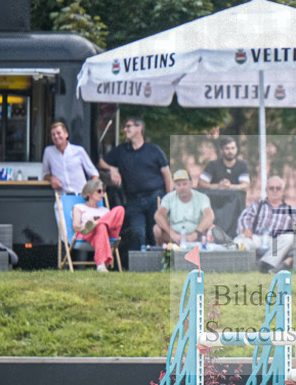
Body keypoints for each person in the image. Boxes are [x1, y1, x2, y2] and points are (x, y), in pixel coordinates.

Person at [99, 117, 173, 250]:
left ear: (139, 128)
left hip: (155, 197)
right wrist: (112, 169)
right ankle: (140, 266)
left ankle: (157, 265)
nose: (125, 129)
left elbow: (167, 174)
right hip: (134, 200)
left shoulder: (154, 150)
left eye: (128, 126)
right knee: (136, 232)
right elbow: (100, 162)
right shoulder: (121, 150)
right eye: (125, 127)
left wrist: (169, 199)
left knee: (155, 231)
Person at [233, 176, 296, 273]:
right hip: (257, 238)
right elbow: (244, 217)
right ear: (266, 190)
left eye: (278, 188)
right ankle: (235, 263)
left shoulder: (291, 211)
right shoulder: (257, 204)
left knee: (290, 238)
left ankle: (265, 265)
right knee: (240, 241)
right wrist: (246, 228)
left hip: (277, 242)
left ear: (283, 191)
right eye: (271, 188)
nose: (274, 191)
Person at [71, 179, 125, 272]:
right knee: (101, 227)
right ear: (89, 193)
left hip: (107, 234)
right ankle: (101, 264)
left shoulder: (105, 210)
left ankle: (97, 223)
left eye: (103, 191)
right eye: (99, 191)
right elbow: (75, 227)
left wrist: (97, 222)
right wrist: (85, 228)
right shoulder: (79, 207)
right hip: (86, 234)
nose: (102, 194)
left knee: (120, 209)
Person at [153, 170, 215, 247]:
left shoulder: (202, 197)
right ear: (174, 186)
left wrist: (196, 233)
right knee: (157, 229)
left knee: (212, 228)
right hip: (173, 236)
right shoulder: (168, 198)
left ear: (191, 183)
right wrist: (172, 234)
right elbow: (158, 216)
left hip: (196, 235)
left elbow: (210, 216)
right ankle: (163, 253)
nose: (182, 187)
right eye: (178, 185)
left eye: (185, 184)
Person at [43, 121, 100, 195]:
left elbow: (94, 174)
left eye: (58, 133)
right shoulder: (49, 152)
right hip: (62, 197)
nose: (56, 136)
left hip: (81, 195)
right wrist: (52, 178)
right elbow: (45, 174)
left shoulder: (79, 150)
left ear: (66, 134)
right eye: (53, 135)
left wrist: (92, 193)